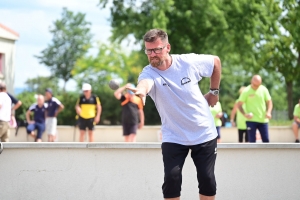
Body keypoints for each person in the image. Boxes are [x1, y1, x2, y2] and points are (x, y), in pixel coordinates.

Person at [127, 29, 221, 200]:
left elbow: (215, 62)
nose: (152, 54)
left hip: (203, 131)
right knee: (171, 179)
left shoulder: (188, 62)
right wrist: (141, 92)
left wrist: (214, 92)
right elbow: (145, 84)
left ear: (167, 47)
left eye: (157, 49)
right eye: (148, 50)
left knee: (207, 179)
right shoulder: (149, 72)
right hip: (174, 135)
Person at [237, 75, 272, 143]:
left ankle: (266, 154)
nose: (256, 87)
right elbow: (239, 105)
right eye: (255, 85)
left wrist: (269, 112)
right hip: (251, 120)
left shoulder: (264, 89)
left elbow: (269, 102)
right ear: (251, 81)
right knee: (252, 141)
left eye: (258, 85)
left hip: (263, 120)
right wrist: (245, 114)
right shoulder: (246, 91)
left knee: (266, 140)